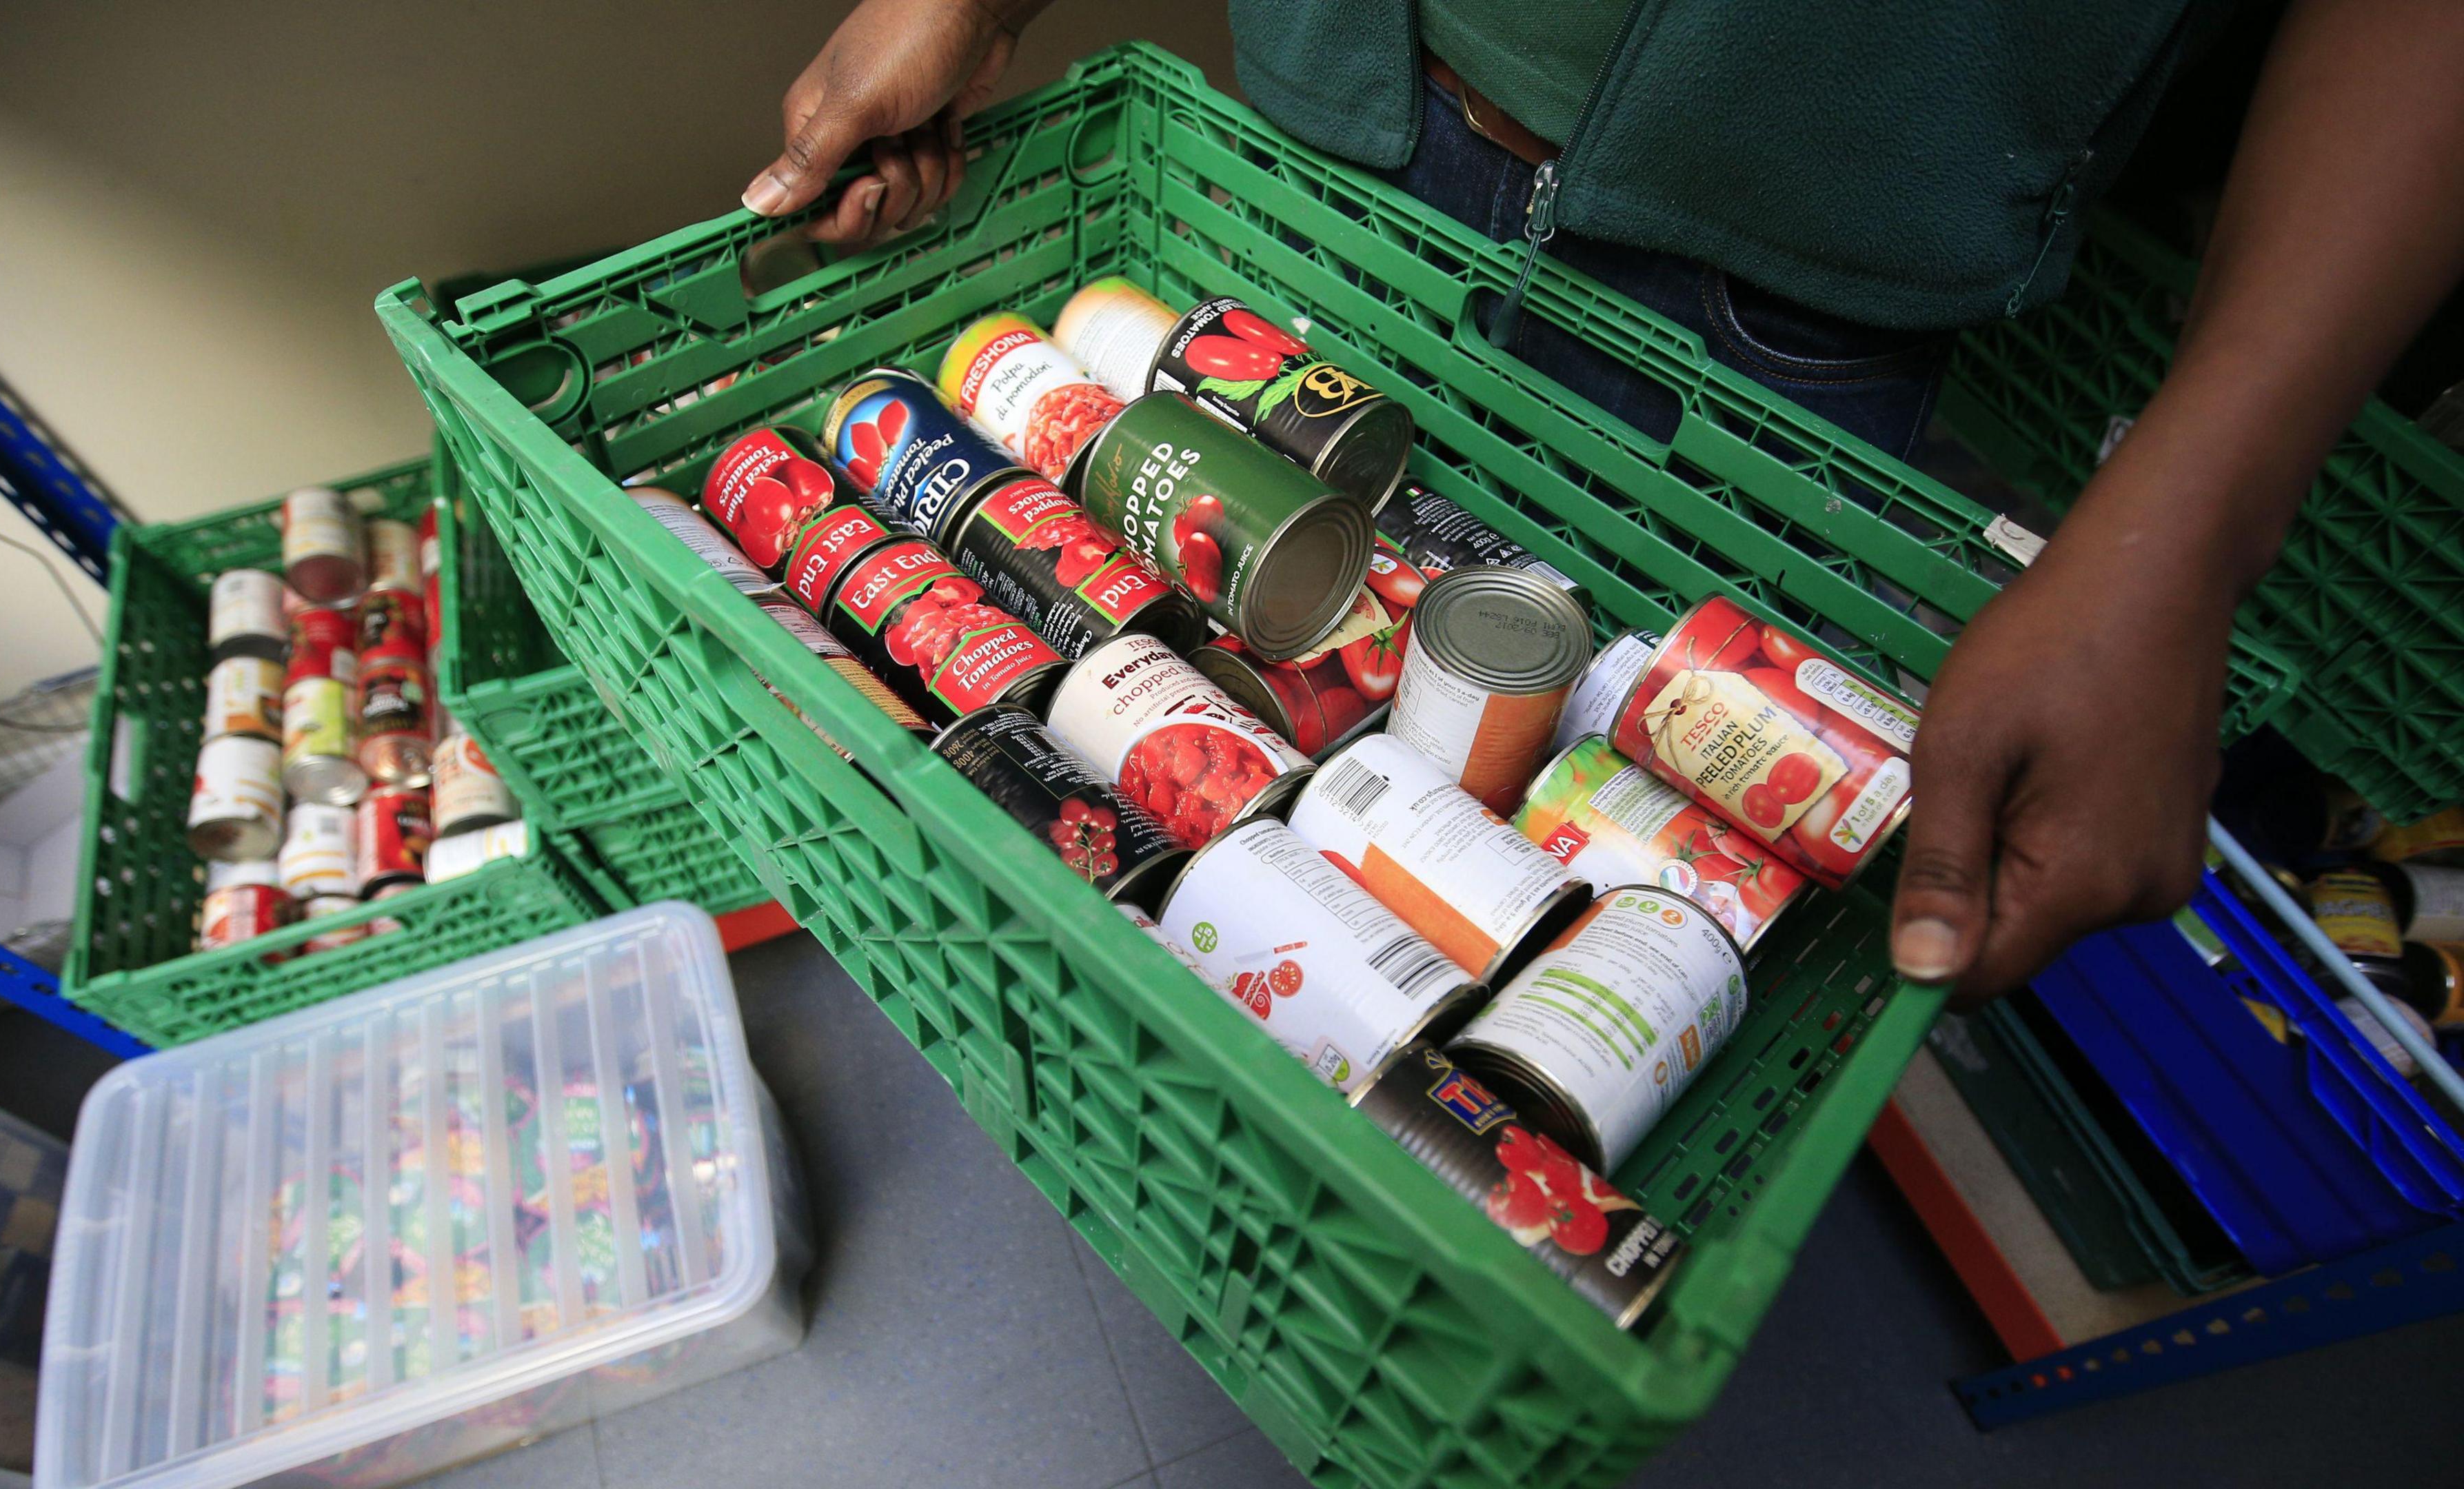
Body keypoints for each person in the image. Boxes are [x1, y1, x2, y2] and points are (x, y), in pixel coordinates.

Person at [740, 0, 2464, 1000]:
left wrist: (2189, 540)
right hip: (1333, 126)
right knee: (1287, 688)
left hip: (1805, 298)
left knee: (1634, 807)